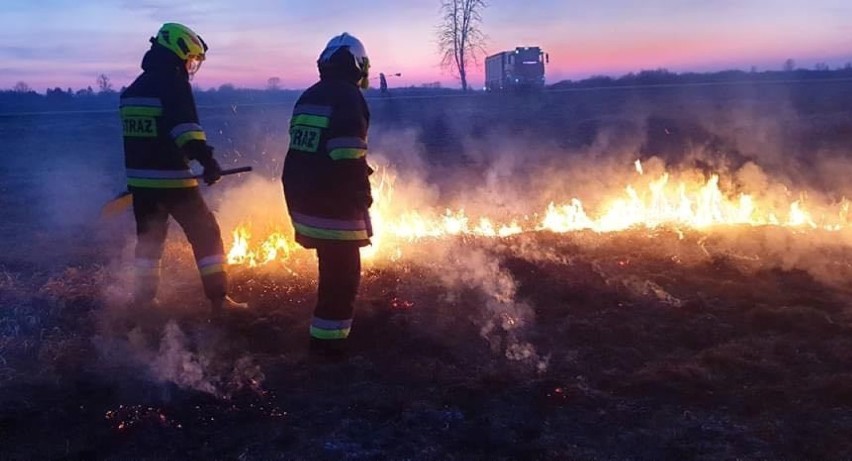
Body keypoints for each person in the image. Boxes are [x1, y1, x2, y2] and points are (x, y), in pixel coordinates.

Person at [120, 23, 247, 312]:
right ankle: (219, 300)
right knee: (206, 235)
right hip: (173, 181)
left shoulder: (132, 91)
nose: (190, 66)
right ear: (177, 52)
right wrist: (208, 162)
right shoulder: (173, 83)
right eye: (190, 58)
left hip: (141, 185)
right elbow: (186, 131)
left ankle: (144, 300)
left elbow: (142, 141)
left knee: (149, 244)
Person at [281, 32, 373, 357]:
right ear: (358, 65)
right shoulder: (349, 97)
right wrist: (363, 198)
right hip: (332, 206)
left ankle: (325, 338)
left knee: (330, 268)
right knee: (342, 279)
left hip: (303, 200)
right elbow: (347, 155)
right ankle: (328, 350)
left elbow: (311, 149)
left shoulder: (309, 95)